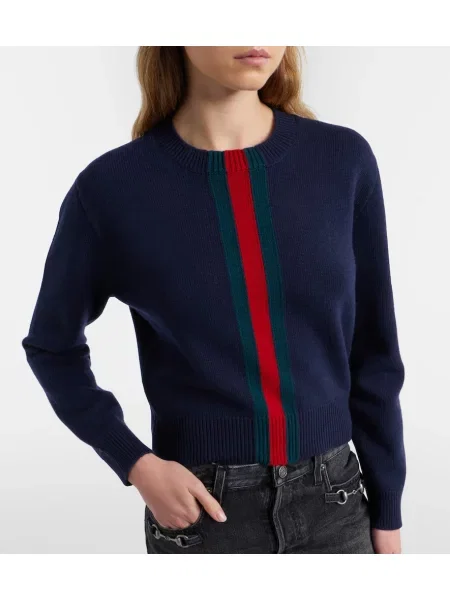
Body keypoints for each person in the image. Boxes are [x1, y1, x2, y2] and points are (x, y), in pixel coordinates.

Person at [22, 46, 406, 554]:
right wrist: (136, 463)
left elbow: (375, 353)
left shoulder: (342, 160)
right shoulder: (112, 188)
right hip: (204, 513)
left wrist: (388, 510)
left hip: (336, 503)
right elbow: (51, 347)